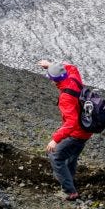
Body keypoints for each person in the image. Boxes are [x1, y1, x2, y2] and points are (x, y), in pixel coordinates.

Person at [38, 59, 92, 201]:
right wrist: (51, 66)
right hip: (86, 129)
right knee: (71, 156)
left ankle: (70, 191)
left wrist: (55, 140)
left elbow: (71, 123)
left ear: (54, 80)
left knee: (55, 156)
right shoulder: (74, 77)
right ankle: (70, 180)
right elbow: (72, 67)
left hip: (77, 133)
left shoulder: (65, 97)